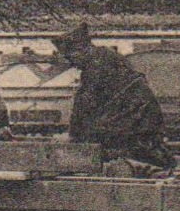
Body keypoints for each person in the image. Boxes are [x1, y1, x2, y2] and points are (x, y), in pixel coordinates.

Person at [52, 23, 172, 169]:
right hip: (140, 120)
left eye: (70, 57)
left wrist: (72, 136)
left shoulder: (97, 64)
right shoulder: (103, 57)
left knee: (99, 147)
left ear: (81, 49)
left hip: (135, 121)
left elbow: (85, 103)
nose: (71, 63)